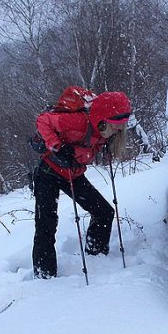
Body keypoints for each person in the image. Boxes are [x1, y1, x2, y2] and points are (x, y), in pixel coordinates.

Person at [31, 89, 132, 279]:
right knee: (46, 225)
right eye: (117, 125)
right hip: (48, 172)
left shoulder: (103, 128)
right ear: (104, 119)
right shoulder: (79, 121)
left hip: (73, 174)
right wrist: (58, 147)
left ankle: (96, 259)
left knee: (104, 212)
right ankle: (45, 277)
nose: (119, 129)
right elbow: (43, 121)